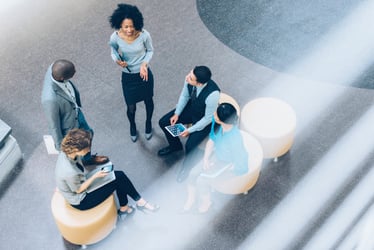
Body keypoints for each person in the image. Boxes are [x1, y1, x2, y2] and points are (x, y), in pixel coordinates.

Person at [55, 128, 159, 219]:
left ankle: (128, 206)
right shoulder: (70, 172)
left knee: (118, 177)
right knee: (118, 179)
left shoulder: (67, 152)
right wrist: (95, 176)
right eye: (87, 149)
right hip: (82, 200)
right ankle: (136, 204)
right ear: (77, 149)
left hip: (80, 183)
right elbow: (78, 190)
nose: (88, 151)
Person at [158, 66, 220, 182]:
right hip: (192, 109)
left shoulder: (213, 94)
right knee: (164, 122)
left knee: (190, 146)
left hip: (203, 119)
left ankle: (186, 169)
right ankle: (175, 146)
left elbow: (207, 119)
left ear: (200, 84)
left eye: (191, 78)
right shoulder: (189, 79)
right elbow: (185, 96)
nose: (187, 78)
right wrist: (177, 113)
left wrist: (189, 131)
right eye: (189, 74)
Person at [183, 103, 249, 213]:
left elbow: (240, 163)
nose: (214, 115)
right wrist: (206, 159)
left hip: (228, 164)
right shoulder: (217, 124)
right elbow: (211, 140)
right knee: (193, 173)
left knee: (201, 181)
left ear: (223, 120)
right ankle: (191, 199)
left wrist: (218, 169)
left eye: (216, 114)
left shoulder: (235, 139)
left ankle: (207, 203)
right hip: (217, 156)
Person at [41, 59, 108, 166]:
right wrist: (61, 148)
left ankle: (87, 158)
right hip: (69, 125)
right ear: (62, 78)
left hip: (75, 111)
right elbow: (53, 125)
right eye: (72, 72)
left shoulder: (54, 68)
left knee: (89, 133)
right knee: (80, 145)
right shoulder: (50, 100)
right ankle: (84, 162)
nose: (75, 72)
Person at [109, 3, 155, 142]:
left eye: (131, 26)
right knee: (131, 107)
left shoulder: (144, 35)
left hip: (144, 74)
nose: (129, 30)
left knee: (148, 101)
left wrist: (144, 64)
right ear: (120, 26)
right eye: (125, 27)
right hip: (128, 76)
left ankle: (148, 122)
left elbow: (150, 50)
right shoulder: (115, 37)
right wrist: (117, 61)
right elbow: (113, 52)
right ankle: (132, 125)